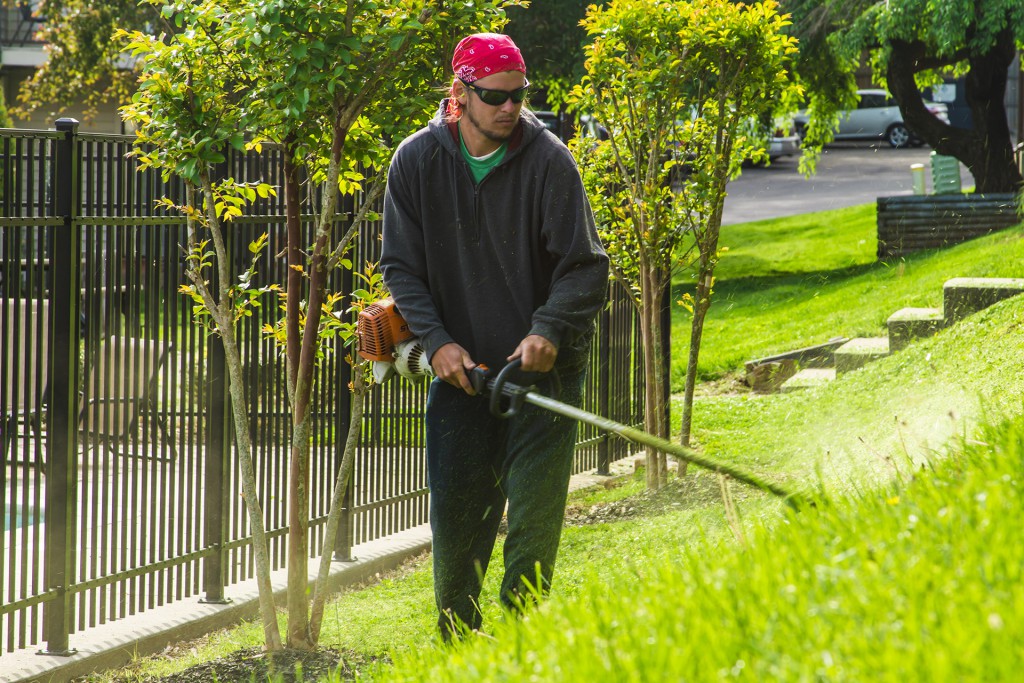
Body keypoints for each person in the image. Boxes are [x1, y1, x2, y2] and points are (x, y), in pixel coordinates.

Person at [380, 32, 609, 639]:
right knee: (458, 523)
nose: (510, 109)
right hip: (462, 379)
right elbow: (401, 267)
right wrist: (436, 342)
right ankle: (458, 640)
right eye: (495, 97)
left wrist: (549, 329)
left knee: (532, 527)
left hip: (540, 378)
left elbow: (585, 266)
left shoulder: (550, 161)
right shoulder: (417, 160)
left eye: (518, 96)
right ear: (460, 94)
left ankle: (523, 645)